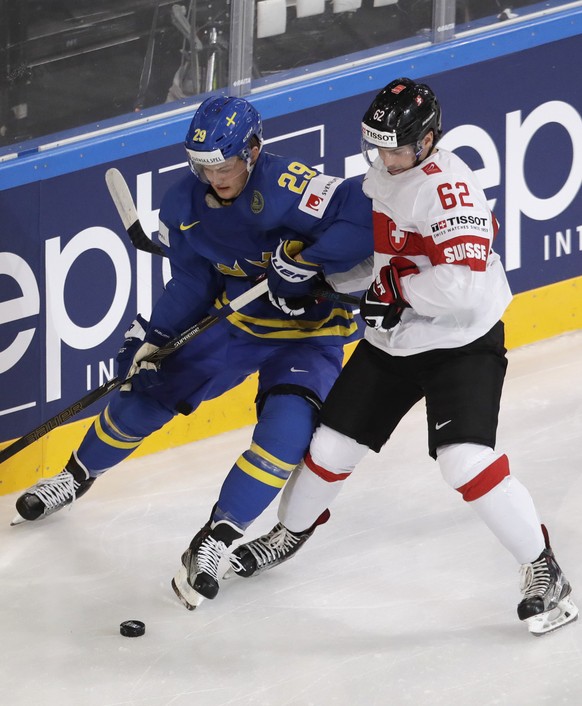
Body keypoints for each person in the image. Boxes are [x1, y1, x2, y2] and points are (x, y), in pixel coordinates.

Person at [227, 78, 578, 636]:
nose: (384, 159)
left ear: (426, 141)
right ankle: (289, 533)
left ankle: (544, 569)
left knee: (462, 461)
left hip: (460, 342)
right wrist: (323, 277)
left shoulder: (448, 188)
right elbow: (383, 262)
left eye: (394, 148)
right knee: (330, 446)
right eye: (377, 147)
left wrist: (398, 294)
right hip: (395, 341)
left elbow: (461, 286)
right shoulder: (383, 174)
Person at [13, 95, 374, 609]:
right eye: (201, 165)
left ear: (252, 150)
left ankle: (216, 539)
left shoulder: (291, 184)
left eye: (223, 163)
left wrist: (309, 262)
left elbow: (363, 218)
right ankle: (73, 478)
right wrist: (155, 335)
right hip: (237, 323)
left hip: (308, 334)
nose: (213, 177)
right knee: (144, 395)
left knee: (285, 434)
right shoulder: (183, 203)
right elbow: (192, 279)